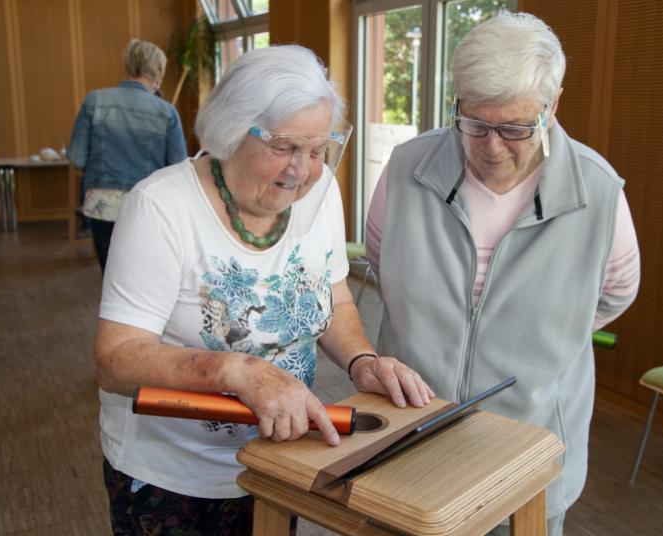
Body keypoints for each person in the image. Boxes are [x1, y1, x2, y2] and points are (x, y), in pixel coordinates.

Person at [94, 45, 433, 535]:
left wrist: (363, 361)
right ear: (232, 132)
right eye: (284, 148)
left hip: (283, 459)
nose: (302, 170)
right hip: (175, 476)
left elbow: (334, 299)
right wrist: (237, 370)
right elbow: (115, 360)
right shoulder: (161, 207)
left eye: (318, 151)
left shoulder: (320, 192)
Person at [366, 11, 640, 536]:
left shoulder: (598, 192)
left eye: (514, 127)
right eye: (474, 123)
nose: (491, 146)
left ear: (552, 105)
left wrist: (539, 332)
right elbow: (383, 261)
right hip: (410, 438)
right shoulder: (408, 168)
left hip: (527, 450)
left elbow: (613, 293)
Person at [68, 38, 187, 272]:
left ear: (127, 65)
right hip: (147, 204)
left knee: (110, 273)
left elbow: (76, 156)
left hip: (102, 202)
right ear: (157, 72)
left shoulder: (95, 101)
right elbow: (178, 166)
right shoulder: (166, 112)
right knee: (143, 274)